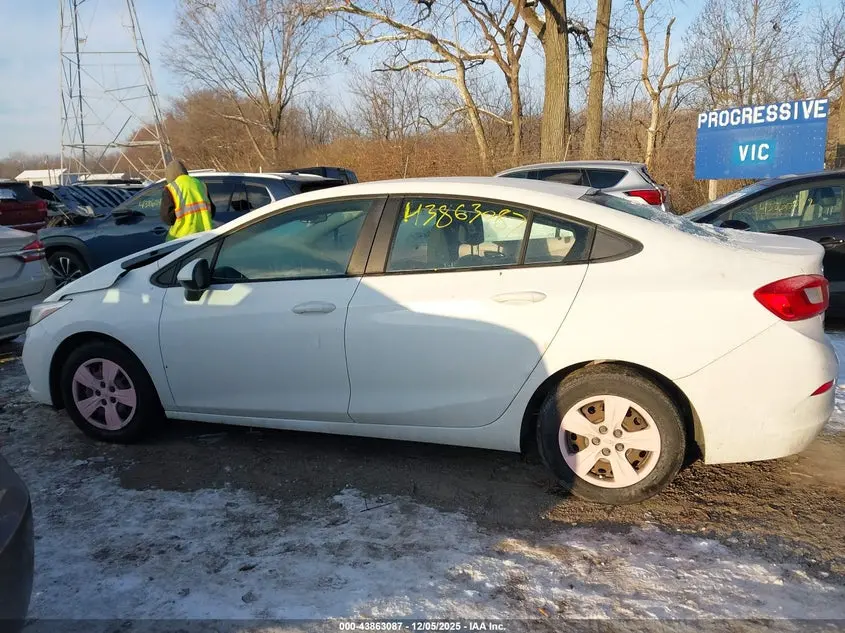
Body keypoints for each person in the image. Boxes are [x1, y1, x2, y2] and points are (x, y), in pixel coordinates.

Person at [159, 159, 216, 241]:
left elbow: (167, 219)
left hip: (181, 239)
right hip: (205, 237)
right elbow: (212, 211)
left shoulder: (171, 188)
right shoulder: (200, 184)